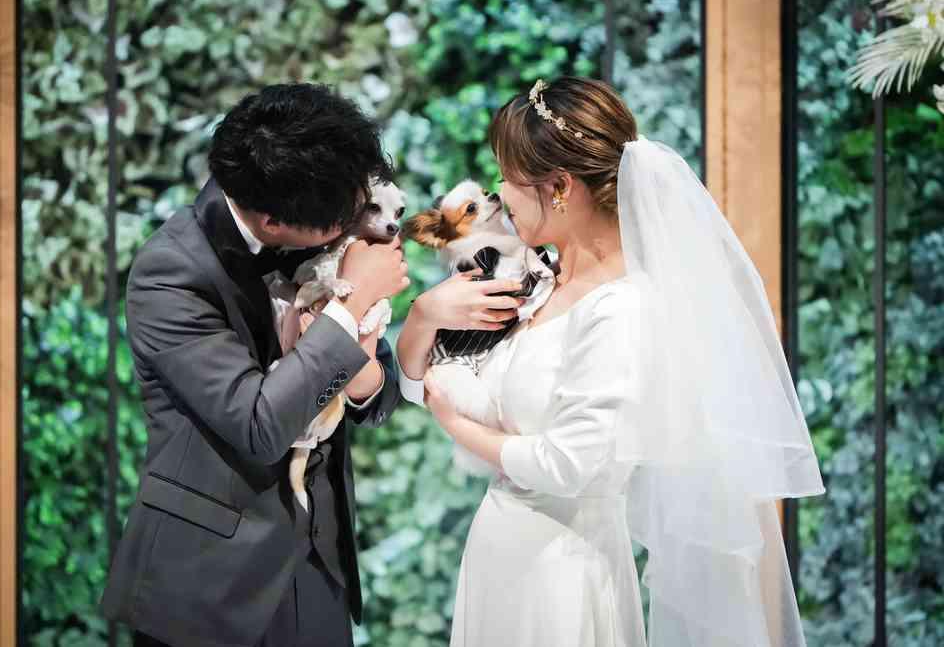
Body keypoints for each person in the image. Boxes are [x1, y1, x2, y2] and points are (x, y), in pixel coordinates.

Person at [396, 76, 825, 647]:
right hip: (505, 553)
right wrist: (424, 316)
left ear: (560, 187)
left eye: (508, 178)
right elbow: (420, 385)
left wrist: (454, 423)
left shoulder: (622, 308)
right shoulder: (540, 280)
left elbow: (568, 466)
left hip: (560, 570)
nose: (499, 194)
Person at [100, 83, 407, 647]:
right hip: (209, 581)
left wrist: (367, 369)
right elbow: (259, 425)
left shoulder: (314, 222)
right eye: (343, 216)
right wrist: (353, 301)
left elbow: (377, 396)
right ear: (271, 222)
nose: (353, 224)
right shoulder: (170, 272)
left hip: (318, 567)